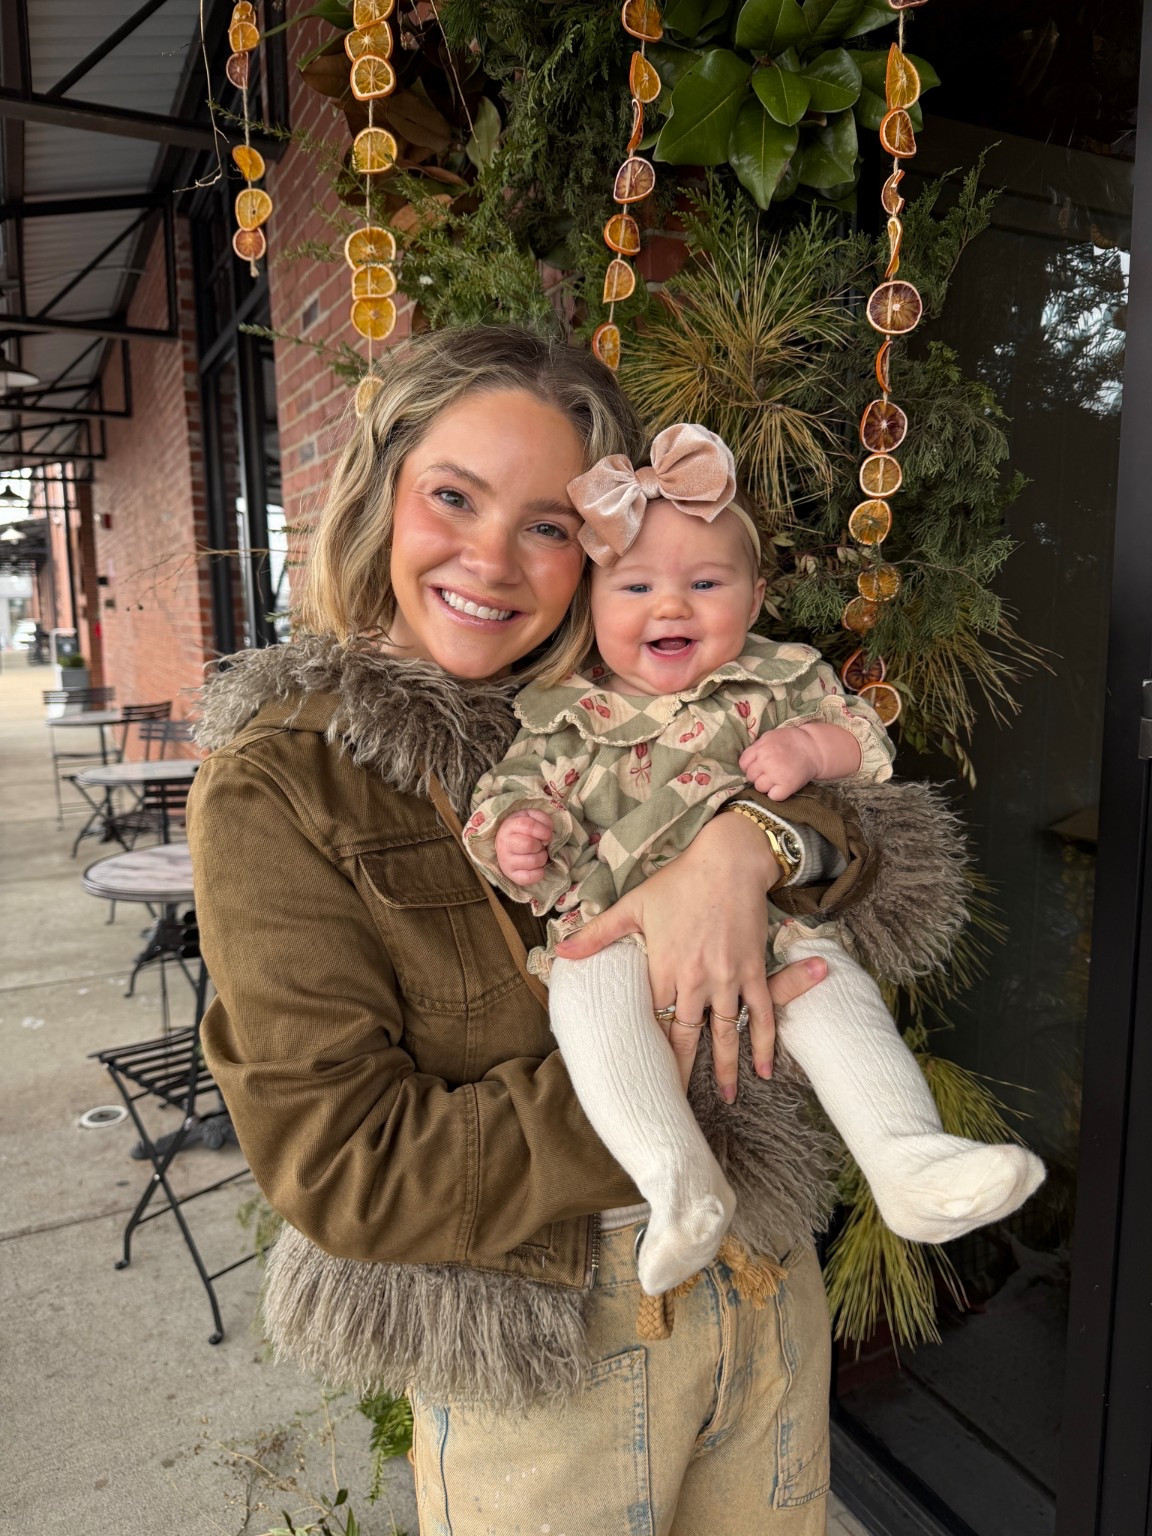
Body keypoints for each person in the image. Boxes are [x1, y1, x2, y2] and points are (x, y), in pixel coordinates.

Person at [189, 326, 971, 1535]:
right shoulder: (284, 781)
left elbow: (878, 842)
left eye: (549, 524)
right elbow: (343, 1167)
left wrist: (744, 849)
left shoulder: (642, 689)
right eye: (453, 497)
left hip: (763, 1284)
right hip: (550, 1336)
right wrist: (662, 1041)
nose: (492, 559)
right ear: (382, 493)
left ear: (597, 550)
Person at [466, 423, 1044, 1297]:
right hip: (616, 929)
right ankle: (677, 1184)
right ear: (593, 601)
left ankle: (908, 1160)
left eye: (706, 583)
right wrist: (521, 835)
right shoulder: (561, 714)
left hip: (770, 924)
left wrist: (812, 750)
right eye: (637, 585)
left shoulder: (776, 680)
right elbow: (506, 797)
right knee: (585, 1002)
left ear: (756, 592)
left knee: (829, 989)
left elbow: (864, 738)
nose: (672, 607)